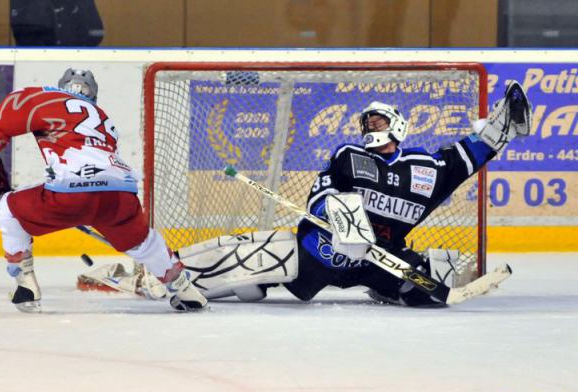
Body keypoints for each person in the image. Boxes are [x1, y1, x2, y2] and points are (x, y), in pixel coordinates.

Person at [174, 81, 532, 307]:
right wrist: (339, 221)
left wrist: (504, 125)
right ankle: (178, 274)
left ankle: (390, 290)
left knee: (427, 288)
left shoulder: (427, 168)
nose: (370, 125)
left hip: (380, 258)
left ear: (398, 125)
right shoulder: (350, 155)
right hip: (325, 250)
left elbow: (468, 155)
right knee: (263, 266)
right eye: (367, 122)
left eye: (378, 119)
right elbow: (322, 191)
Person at [0, 68, 207, 313]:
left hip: (69, 195)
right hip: (119, 194)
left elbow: (6, 113)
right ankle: (184, 289)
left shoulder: (50, 98)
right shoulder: (104, 118)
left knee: (9, 207)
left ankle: (25, 287)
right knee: (144, 242)